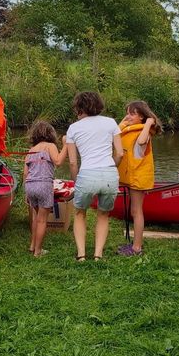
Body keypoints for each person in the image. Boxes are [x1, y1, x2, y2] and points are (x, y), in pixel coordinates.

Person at [66, 91, 123, 261]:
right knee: (103, 214)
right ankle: (98, 255)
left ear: (79, 107)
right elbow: (120, 153)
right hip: (109, 173)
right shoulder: (111, 122)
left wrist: (77, 182)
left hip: (87, 174)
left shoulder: (73, 128)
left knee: (79, 213)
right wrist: (111, 167)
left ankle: (81, 255)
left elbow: (73, 163)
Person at [116, 101, 161, 256]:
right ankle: (135, 245)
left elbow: (141, 142)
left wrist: (149, 123)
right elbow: (114, 133)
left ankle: (137, 248)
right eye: (127, 112)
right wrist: (125, 119)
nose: (128, 116)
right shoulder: (129, 130)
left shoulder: (145, 132)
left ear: (142, 116)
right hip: (131, 176)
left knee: (136, 211)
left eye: (132, 113)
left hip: (138, 177)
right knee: (134, 211)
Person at [23, 120, 68, 257]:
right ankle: (38, 251)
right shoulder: (50, 146)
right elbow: (59, 161)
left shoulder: (31, 150)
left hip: (30, 186)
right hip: (43, 185)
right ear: (50, 134)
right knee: (42, 219)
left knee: (36, 217)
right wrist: (66, 145)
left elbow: (25, 173)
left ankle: (32, 245)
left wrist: (26, 192)